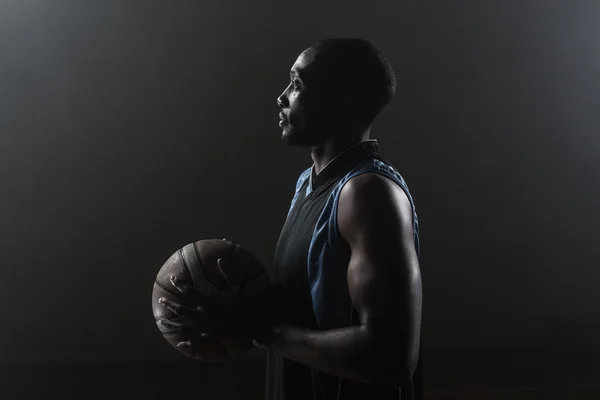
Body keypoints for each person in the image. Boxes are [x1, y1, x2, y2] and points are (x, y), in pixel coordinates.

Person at [159, 37, 423, 400]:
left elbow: (391, 357)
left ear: (343, 103)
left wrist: (261, 331)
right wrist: (226, 304)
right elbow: (311, 313)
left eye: (297, 85)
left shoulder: (367, 194)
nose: (282, 97)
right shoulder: (308, 184)